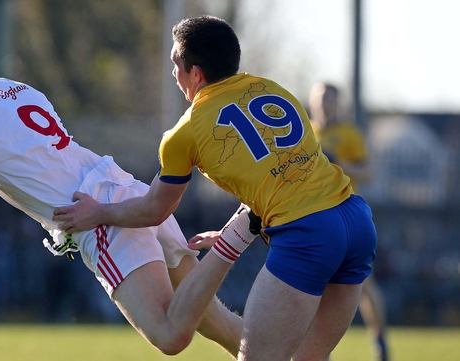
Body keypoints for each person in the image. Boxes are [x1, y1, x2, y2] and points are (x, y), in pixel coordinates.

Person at [0, 30, 243, 357]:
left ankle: (234, 238)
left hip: (96, 216)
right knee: (216, 322)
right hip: (129, 189)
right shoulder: (17, 89)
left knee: (170, 335)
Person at [53, 15, 378, 361]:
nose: (174, 75)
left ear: (195, 73)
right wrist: (232, 229)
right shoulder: (272, 89)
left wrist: (97, 212)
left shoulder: (186, 132)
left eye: (176, 65)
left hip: (310, 234)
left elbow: (153, 210)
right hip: (357, 222)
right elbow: (284, 176)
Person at [309, 82, 389, 361]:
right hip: (314, 218)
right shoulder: (306, 132)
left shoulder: (348, 134)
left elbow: (368, 172)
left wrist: (339, 162)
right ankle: (320, 351)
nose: (323, 104)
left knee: (363, 285)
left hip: (347, 216)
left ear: (337, 103)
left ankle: (379, 340)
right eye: (319, 99)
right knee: (313, 286)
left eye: (329, 99)